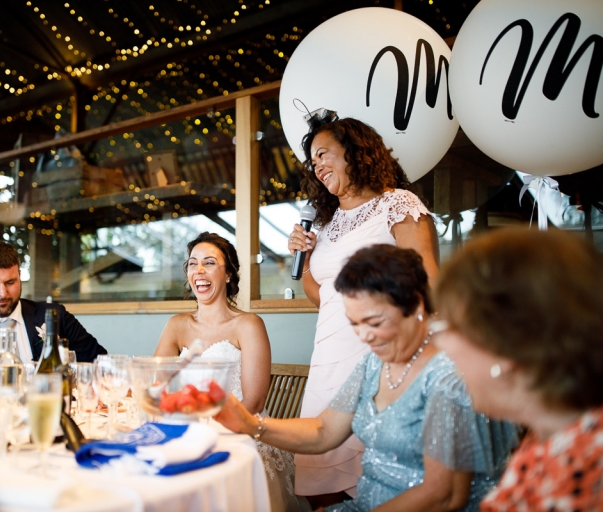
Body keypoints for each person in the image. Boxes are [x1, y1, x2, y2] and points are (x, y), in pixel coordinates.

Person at [215, 244, 517, 511]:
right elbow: (325, 430)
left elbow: (443, 495)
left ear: (416, 304)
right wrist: (251, 424)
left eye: (373, 322)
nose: (363, 336)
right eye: (354, 324)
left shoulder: (451, 377)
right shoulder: (375, 362)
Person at [287, 114, 439, 507]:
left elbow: (426, 283)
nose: (317, 165)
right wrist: (304, 259)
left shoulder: (397, 204)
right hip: (328, 358)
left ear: (355, 152)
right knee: (322, 485)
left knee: (379, 482)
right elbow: (324, 297)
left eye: (324, 153)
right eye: (312, 160)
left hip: (376, 355)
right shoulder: (327, 222)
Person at [433, 229, 603, 511]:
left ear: (509, 344)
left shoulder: (587, 474)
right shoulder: (551, 432)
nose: (442, 344)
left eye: (449, 327)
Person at [153, 232, 299, 512]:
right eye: (192, 264)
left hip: (240, 432)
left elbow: (255, 402)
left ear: (229, 274)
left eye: (209, 263)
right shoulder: (176, 325)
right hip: (188, 432)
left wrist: (211, 436)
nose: (199, 271)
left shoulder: (248, 324)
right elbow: (156, 385)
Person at [0, 241, 107, 376]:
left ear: (19, 276)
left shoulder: (55, 316)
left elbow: (101, 364)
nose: (3, 293)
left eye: (10, 282)